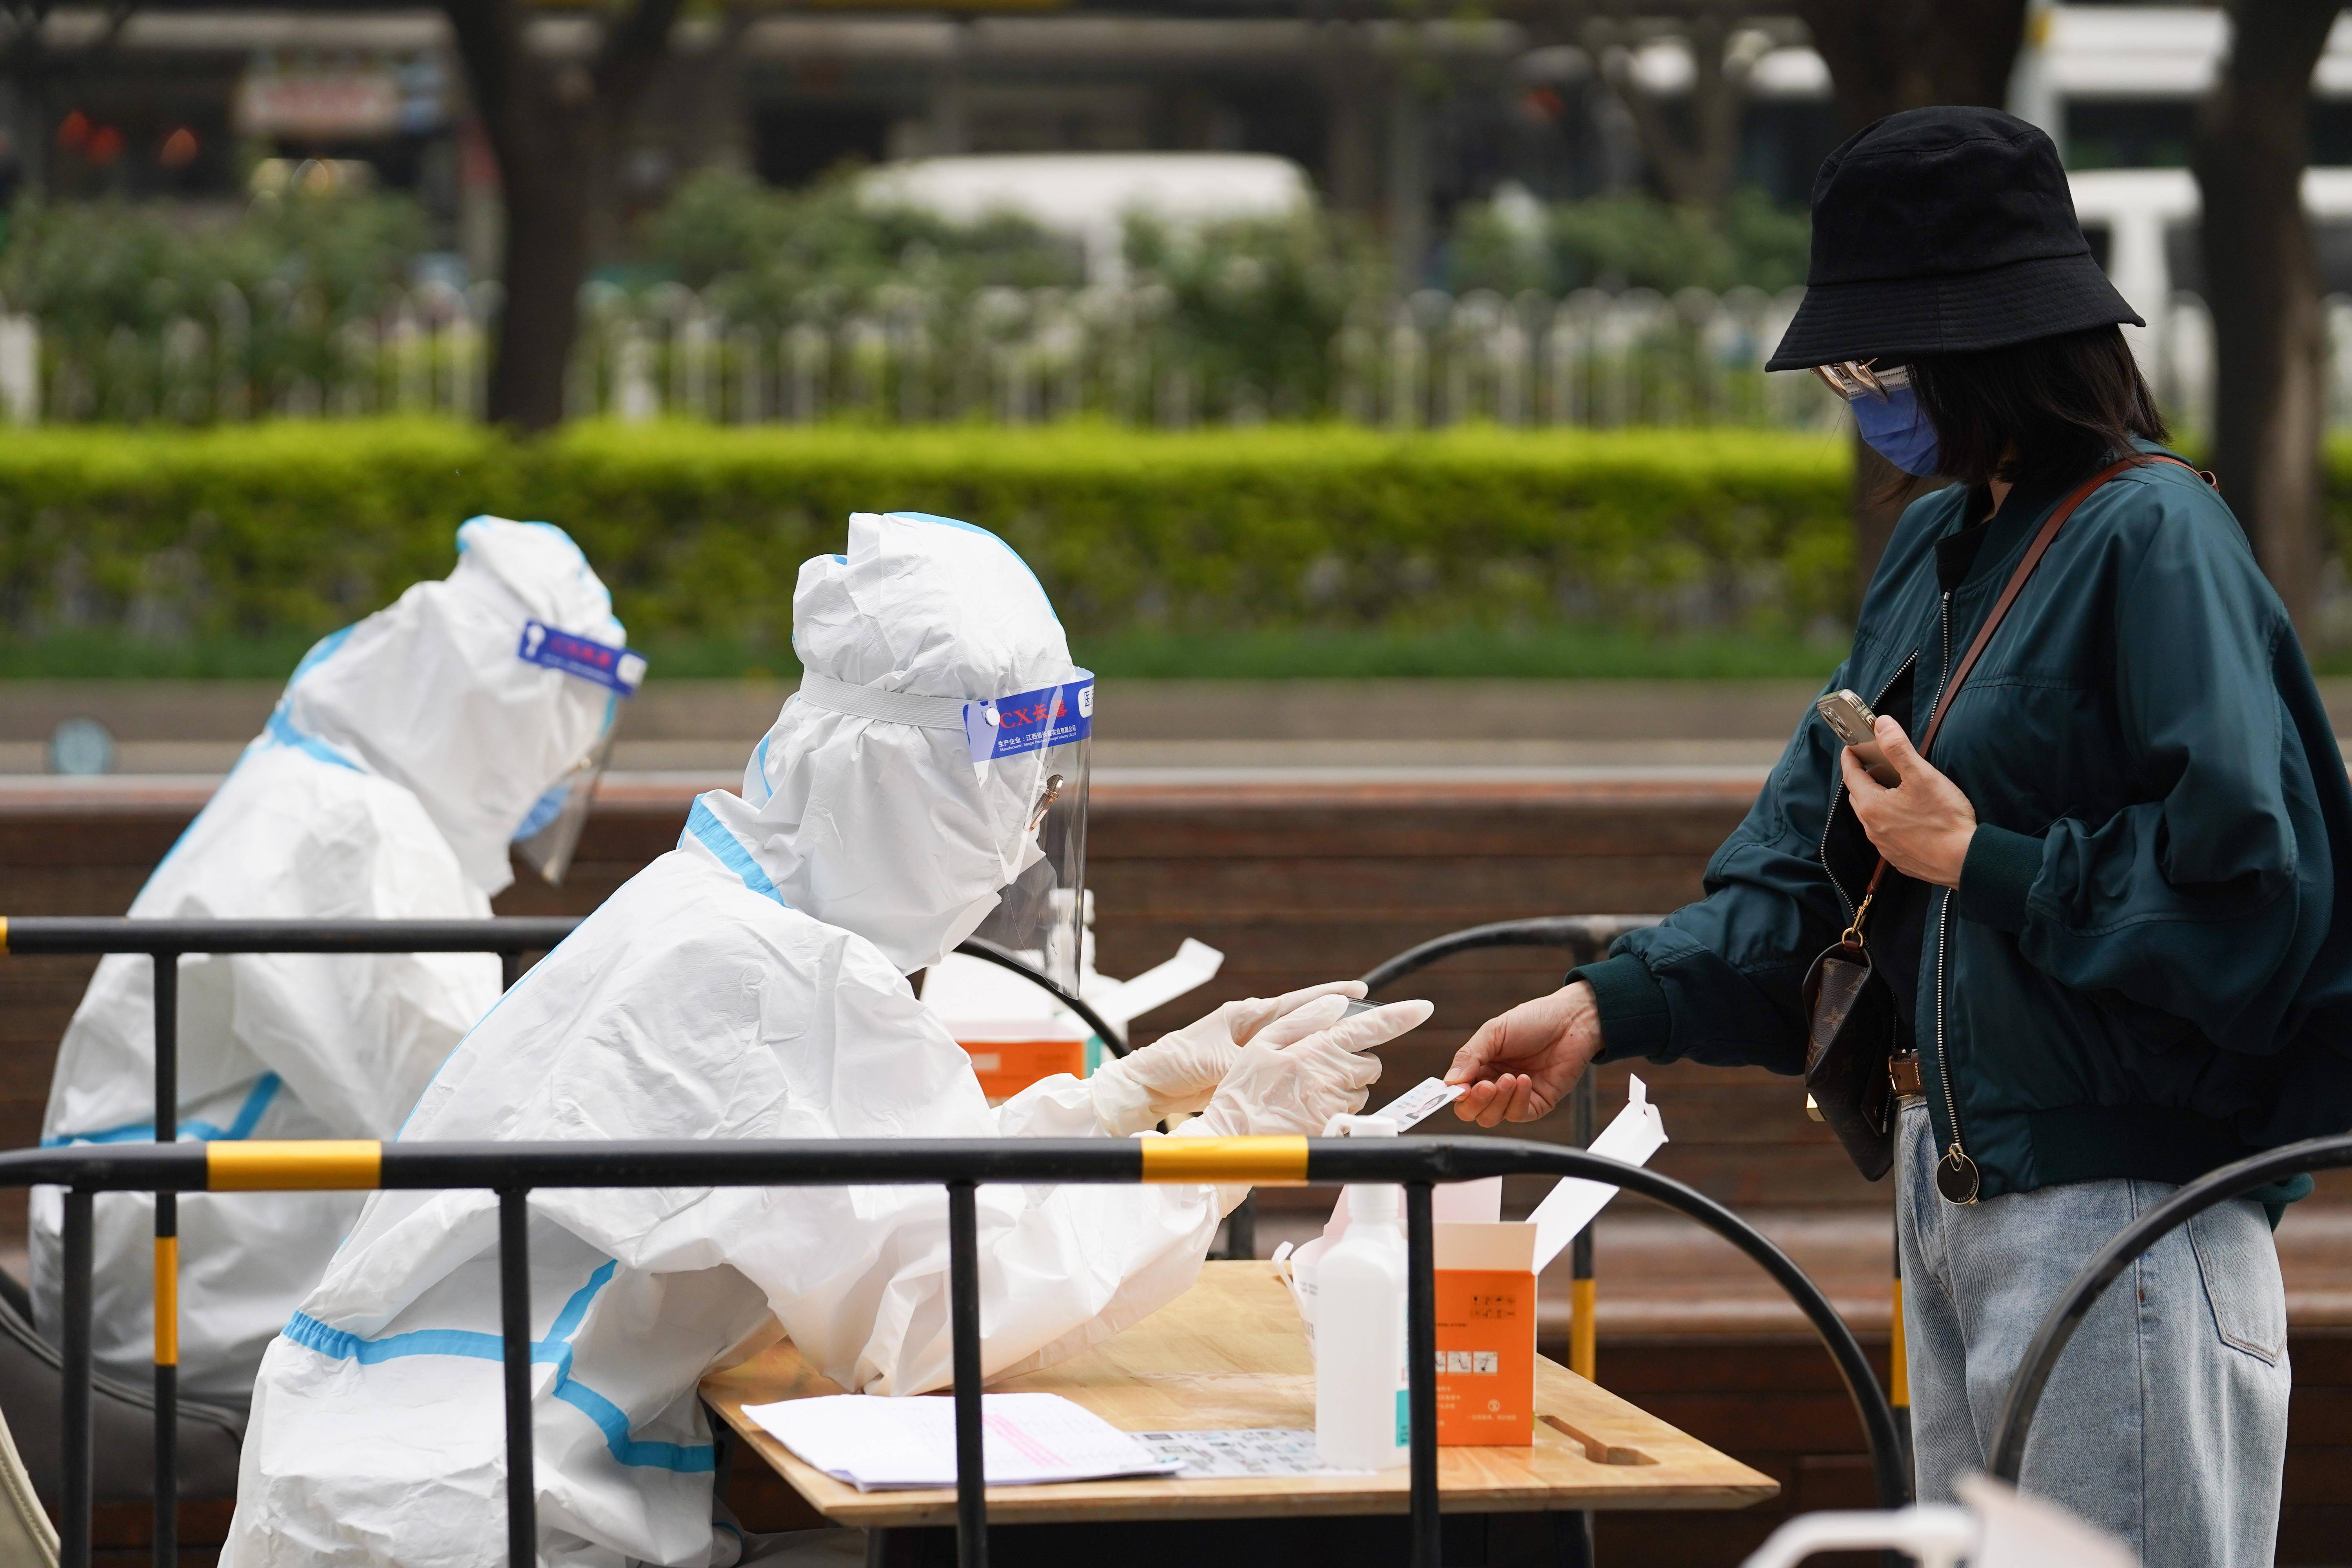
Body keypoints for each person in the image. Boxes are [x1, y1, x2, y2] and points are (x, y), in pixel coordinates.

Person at [1443, 107, 2352, 1567]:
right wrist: (1605, 1001)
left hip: (2123, 1210)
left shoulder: (2155, 537)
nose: (1862, 397)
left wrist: (1982, 857)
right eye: (1850, 369)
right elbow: (1806, 868)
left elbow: (2257, 899)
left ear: (1991, 345)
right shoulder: (1936, 551)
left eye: (1881, 364)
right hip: (1953, 1194)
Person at [223, 510, 1427, 1568]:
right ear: (905, 782)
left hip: (416, 1485)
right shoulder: (767, 970)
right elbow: (936, 1317)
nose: (1022, 843)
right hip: (474, 1517)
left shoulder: (716, 914)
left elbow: (901, 1191)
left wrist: (1121, 1099)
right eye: (1016, 789)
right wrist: (1217, 1152)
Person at [31, 517, 637, 1410]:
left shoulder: (332, 792)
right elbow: (455, 1118)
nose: (554, 778)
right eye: (560, 742)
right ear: (500, 716)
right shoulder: (351, 832)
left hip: (157, 1255)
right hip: (175, 1297)